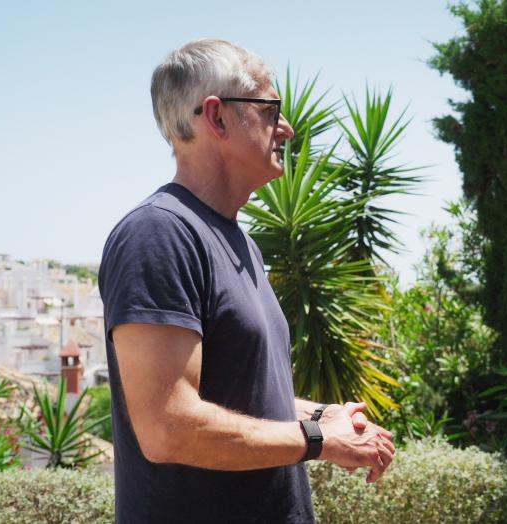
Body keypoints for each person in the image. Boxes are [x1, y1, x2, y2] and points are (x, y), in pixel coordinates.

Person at [99, 38, 396, 523]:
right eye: (270, 110)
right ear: (217, 117)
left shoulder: (239, 243)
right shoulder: (158, 234)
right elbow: (168, 426)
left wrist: (320, 416)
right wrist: (319, 440)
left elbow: (242, 395)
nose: (287, 128)